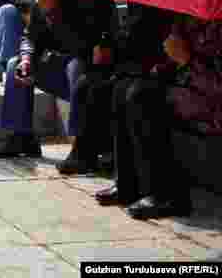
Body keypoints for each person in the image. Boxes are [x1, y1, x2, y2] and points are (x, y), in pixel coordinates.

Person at [0, 0, 118, 167]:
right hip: (57, 66)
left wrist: (53, 13)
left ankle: (82, 146)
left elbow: (83, 46)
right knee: (14, 64)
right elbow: (30, 37)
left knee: (75, 66)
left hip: (89, 73)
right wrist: (27, 58)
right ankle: (20, 136)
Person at [95, 14, 221, 219]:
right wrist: (161, 67)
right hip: (189, 89)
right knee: (123, 88)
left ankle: (167, 195)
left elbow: (215, 85)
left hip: (212, 103)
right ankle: (128, 184)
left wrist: (187, 60)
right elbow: (173, 63)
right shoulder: (189, 18)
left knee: (143, 97)